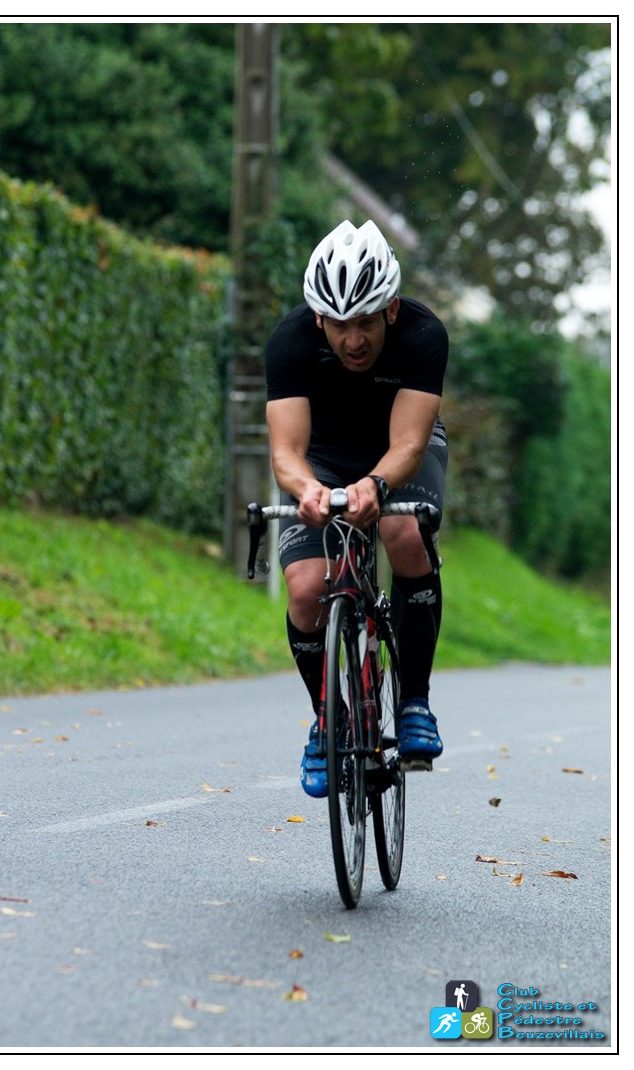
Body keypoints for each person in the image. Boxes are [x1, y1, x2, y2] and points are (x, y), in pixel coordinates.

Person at [264, 219, 449, 798]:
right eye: (339, 324)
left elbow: (409, 445)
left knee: (404, 533)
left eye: (366, 321)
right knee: (305, 589)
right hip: (322, 457)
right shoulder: (290, 341)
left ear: (391, 309)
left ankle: (413, 701)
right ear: (318, 318)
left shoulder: (423, 334)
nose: (353, 340)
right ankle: (329, 719)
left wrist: (375, 484)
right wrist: (307, 490)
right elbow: (286, 453)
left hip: (398, 449)